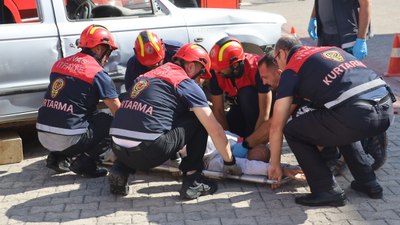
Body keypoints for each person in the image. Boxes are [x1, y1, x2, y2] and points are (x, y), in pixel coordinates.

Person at [262, 35, 394, 207]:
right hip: (386, 109)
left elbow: (276, 126)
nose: (277, 62)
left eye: (275, 58)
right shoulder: (331, 50)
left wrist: (275, 164)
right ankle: (368, 182)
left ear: (283, 53)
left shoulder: (292, 68)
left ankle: (326, 190)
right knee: (339, 123)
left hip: (357, 114)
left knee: (292, 131)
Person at [108, 43, 242, 199]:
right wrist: (229, 162)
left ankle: (120, 170)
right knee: (197, 119)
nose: (200, 81)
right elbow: (215, 130)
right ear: (191, 67)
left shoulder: (147, 76)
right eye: (201, 75)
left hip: (117, 148)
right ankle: (192, 179)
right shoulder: (184, 82)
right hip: (149, 151)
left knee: (147, 121)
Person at [308, 0, 388, 171]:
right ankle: (336, 152)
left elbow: (366, 4)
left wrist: (361, 38)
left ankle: (373, 142)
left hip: (347, 38)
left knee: (350, 95)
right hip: (326, 37)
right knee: (329, 95)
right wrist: (313, 17)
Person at [36, 24, 121, 178]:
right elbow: (118, 111)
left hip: (43, 136)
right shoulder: (97, 73)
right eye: (108, 51)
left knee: (81, 114)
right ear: (98, 49)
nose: (108, 58)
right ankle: (86, 163)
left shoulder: (59, 64)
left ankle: (57, 158)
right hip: (68, 139)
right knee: (110, 122)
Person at [208, 37, 273, 139]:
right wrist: (227, 141)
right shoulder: (216, 71)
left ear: (235, 65)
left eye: (219, 69)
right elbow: (219, 111)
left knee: (246, 94)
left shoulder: (257, 68)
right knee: (232, 132)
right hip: (239, 106)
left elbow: (264, 115)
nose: (216, 72)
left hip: (260, 108)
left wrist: (252, 144)